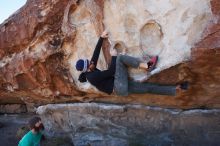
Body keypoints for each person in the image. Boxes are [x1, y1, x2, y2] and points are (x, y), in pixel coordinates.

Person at [75, 31, 188, 96]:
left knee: (147, 88)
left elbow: (95, 53)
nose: (91, 61)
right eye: (89, 63)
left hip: (120, 88)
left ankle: (176, 89)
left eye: (89, 61)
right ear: (87, 69)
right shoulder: (92, 77)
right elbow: (111, 71)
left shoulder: (90, 68)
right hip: (117, 86)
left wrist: (101, 37)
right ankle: (147, 66)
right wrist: (113, 57)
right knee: (120, 58)